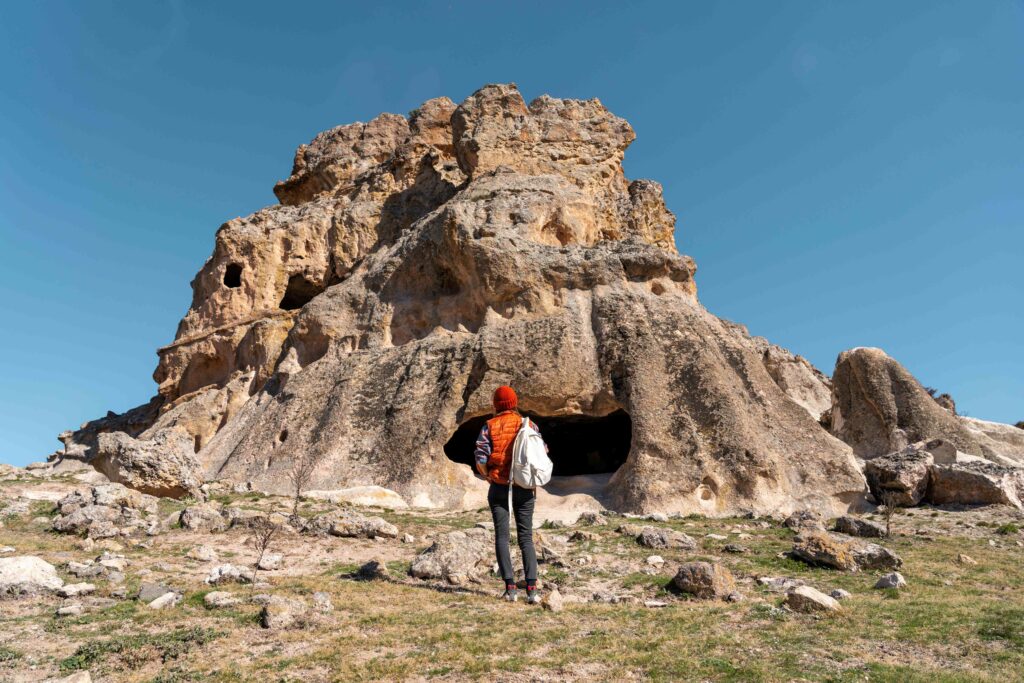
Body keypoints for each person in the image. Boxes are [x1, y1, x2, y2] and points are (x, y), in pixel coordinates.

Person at [474, 385, 546, 604]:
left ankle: (510, 589)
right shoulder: (528, 424)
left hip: (499, 487)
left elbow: (480, 458)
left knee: (502, 537)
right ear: (514, 403)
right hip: (524, 487)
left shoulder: (489, 426)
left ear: (496, 405)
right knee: (526, 536)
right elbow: (543, 450)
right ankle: (532, 589)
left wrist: (488, 476)